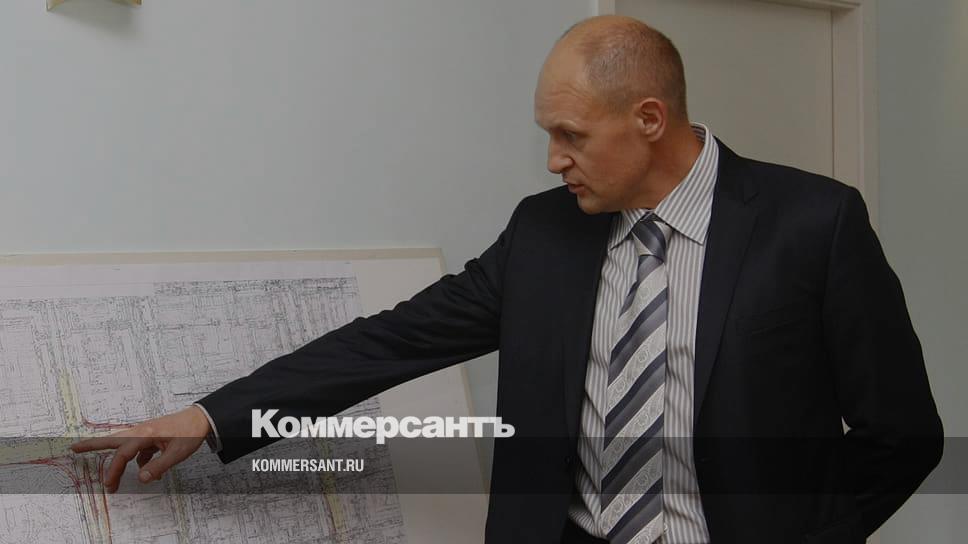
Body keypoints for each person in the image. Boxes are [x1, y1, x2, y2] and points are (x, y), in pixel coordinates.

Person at [71, 15, 943, 544]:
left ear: (649, 118)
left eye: (571, 135)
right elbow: (390, 341)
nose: (554, 160)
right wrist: (210, 417)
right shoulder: (545, 232)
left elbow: (902, 436)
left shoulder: (812, 224)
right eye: (547, 135)